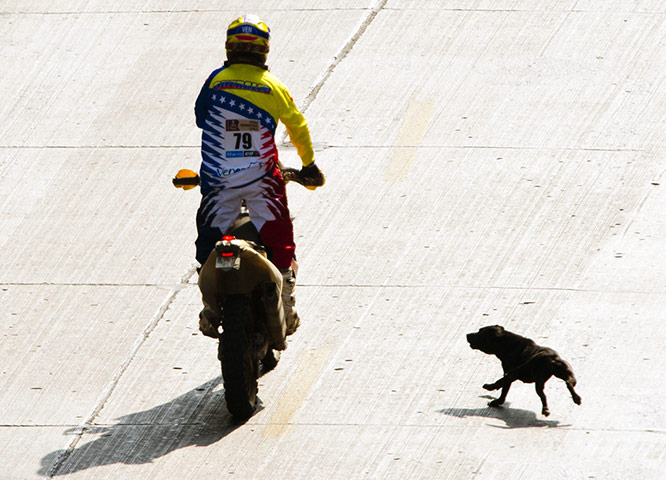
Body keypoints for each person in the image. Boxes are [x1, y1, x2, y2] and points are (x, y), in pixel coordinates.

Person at [194, 14, 324, 336]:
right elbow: (299, 127)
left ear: (229, 47)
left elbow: (200, 117)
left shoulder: (215, 81)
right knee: (281, 241)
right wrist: (308, 165)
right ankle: (288, 304)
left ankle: (210, 307)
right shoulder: (273, 87)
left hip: (218, 183)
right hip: (263, 182)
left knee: (207, 245)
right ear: (264, 51)